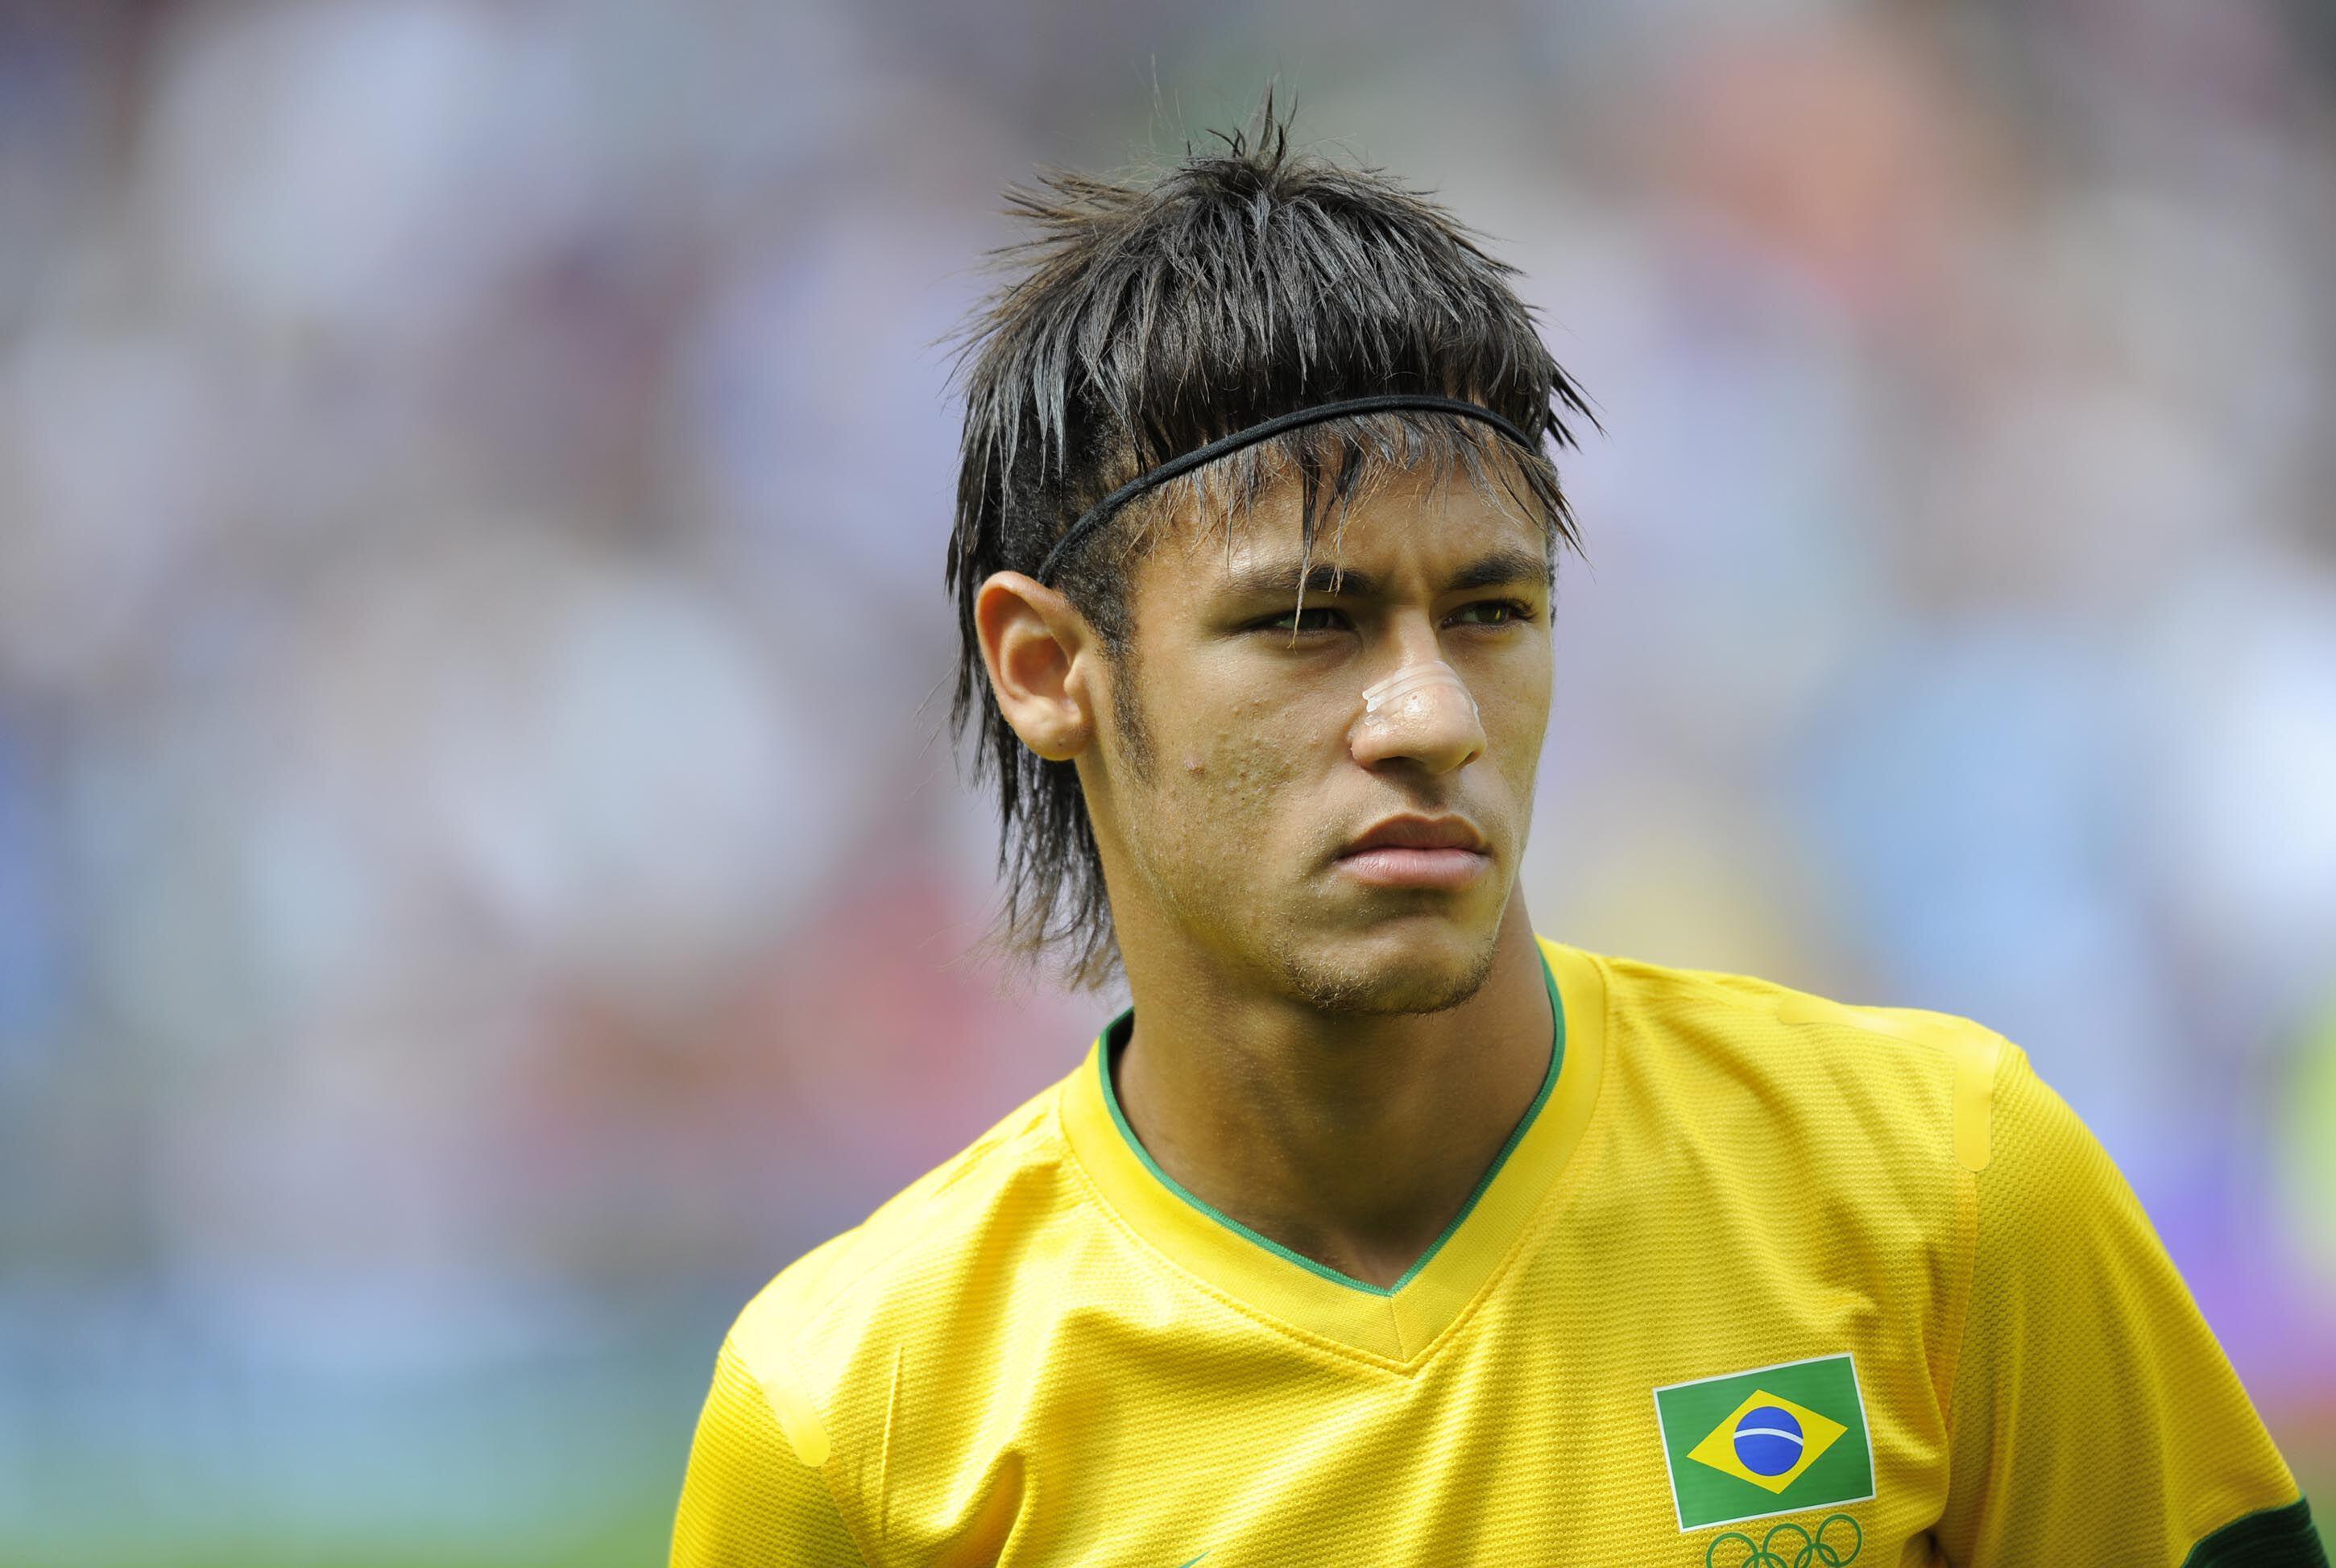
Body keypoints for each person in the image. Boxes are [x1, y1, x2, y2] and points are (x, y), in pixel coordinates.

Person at [669, 108, 2323, 1567]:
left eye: (1488, 609)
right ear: (1051, 670)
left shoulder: (1947, 1186)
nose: (1428, 713)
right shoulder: (856, 1413)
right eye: (1307, 621)